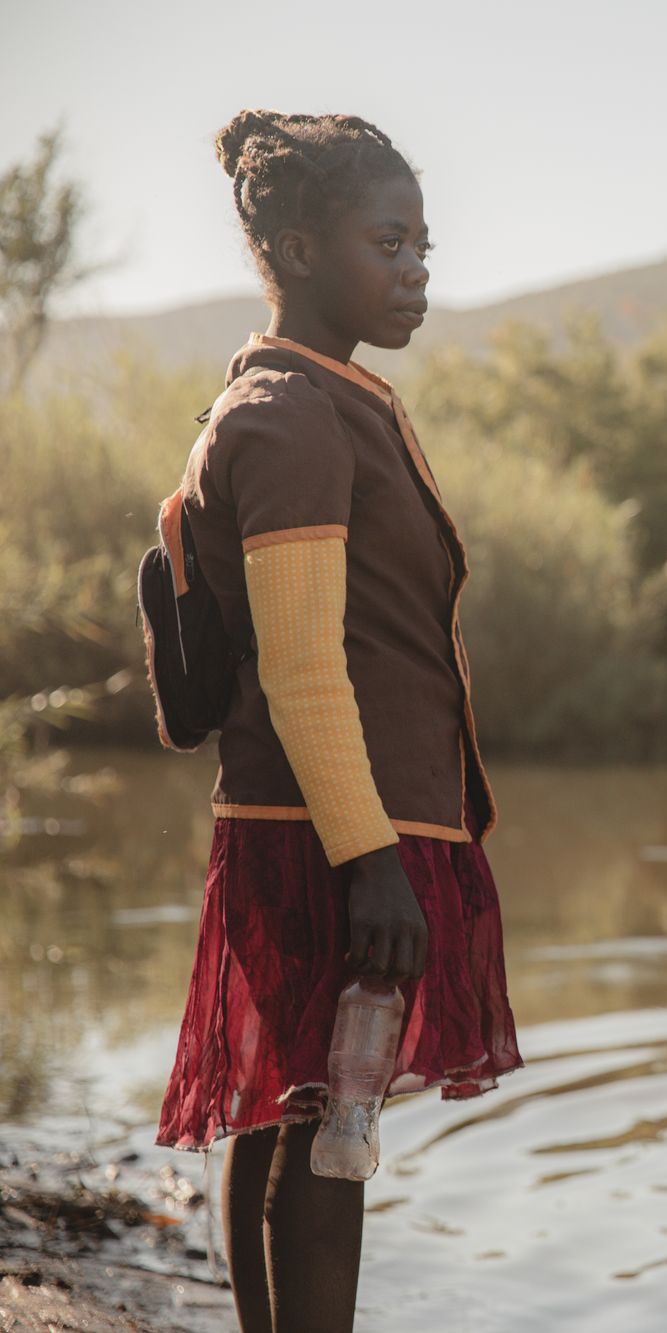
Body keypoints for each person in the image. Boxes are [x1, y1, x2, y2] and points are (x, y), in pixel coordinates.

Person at [155, 110, 522, 1333]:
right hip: (332, 830)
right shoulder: (293, 416)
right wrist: (372, 864)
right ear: (302, 250)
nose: (418, 268)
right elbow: (309, 670)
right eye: (390, 242)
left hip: (331, 818)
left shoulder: (317, 399)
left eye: (425, 243)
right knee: (326, 1131)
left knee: (290, 1116)